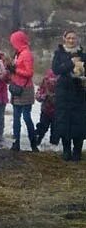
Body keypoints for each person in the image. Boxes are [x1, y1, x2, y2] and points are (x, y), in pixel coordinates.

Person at [51, 30, 86, 161]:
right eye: (69, 38)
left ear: (77, 39)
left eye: (74, 38)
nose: (71, 40)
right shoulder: (59, 54)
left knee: (79, 122)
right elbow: (55, 70)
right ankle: (66, 150)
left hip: (79, 92)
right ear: (64, 39)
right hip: (64, 92)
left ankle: (77, 151)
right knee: (64, 121)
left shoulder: (82, 54)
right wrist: (71, 63)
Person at [8, 30, 37, 152]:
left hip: (25, 90)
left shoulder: (26, 54)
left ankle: (33, 143)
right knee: (16, 118)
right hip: (17, 88)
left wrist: (15, 70)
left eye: (13, 42)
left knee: (26, 117)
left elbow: (29, 73)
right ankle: (16, 143)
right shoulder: (18, 53)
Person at [34, 68, 58, 147]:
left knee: (44, 127)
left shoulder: (45, 80)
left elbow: (38, 94)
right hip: (55, 110)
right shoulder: (61, 81)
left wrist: (43, 96)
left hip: (48, 109)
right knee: (54, 129)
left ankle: (38, 140)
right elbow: (38, 95)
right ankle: (53, 144)